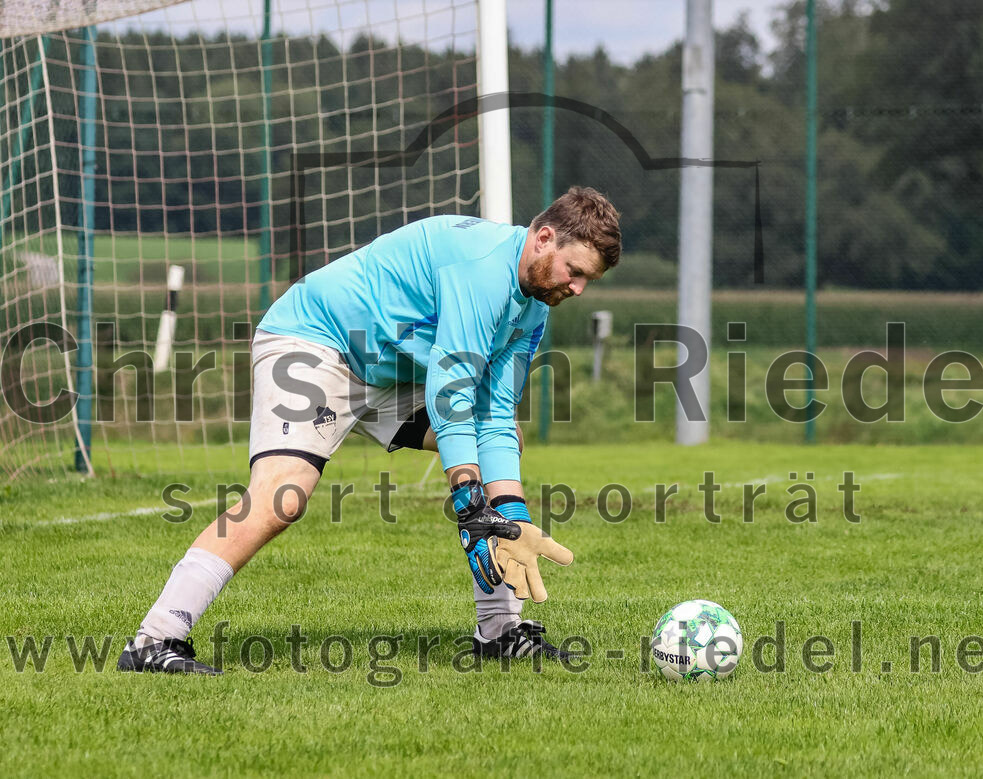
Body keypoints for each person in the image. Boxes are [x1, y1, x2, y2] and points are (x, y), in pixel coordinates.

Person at [117, 186, 622, 674]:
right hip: (314, 345)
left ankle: (500, 631)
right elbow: (452, 391)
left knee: (494, 462)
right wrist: (470, 504)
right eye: (574, 271)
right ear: (543, 238)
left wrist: (510, 518)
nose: (576, 288)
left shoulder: (533, 305)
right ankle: (155, 637)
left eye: (587, 281)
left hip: (385, 374)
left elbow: (494, 412)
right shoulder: (483, 267)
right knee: (281, 499)